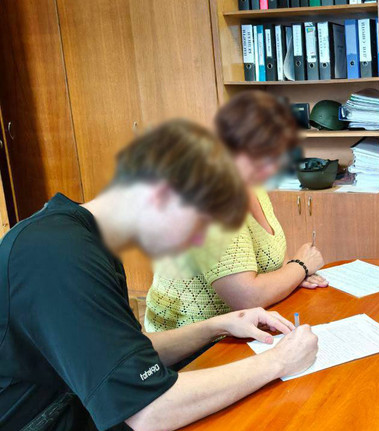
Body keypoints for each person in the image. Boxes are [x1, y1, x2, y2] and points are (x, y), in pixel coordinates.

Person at [0, 119, 318, 431]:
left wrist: (217, 326)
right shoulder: (56, 253)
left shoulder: (87, 242)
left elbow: (124, 356)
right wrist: (278, 361)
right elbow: (149, 412)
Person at [144, 91, 328, 333]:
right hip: (191, 342)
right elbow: (245, 297)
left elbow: (269, 257)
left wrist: (293, 274)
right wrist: (301, 266)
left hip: (240, 327)